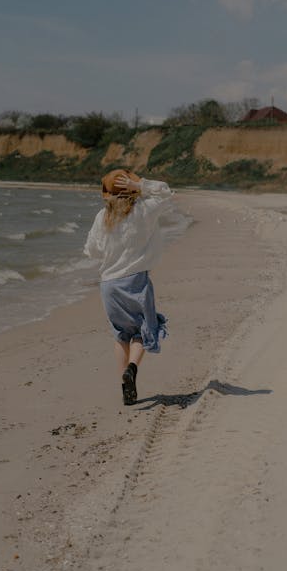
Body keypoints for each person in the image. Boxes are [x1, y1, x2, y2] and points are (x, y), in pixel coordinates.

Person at [84, 169, 174, 405]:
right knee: (144, 328)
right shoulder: (144, 211)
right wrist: (142, 186)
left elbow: (92, 250)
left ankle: (126, 388)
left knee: (121, 335)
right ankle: (132, 368)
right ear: (131, 189)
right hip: (135, 280)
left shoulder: (101, 217)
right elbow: (166, 192)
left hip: (109, 285)